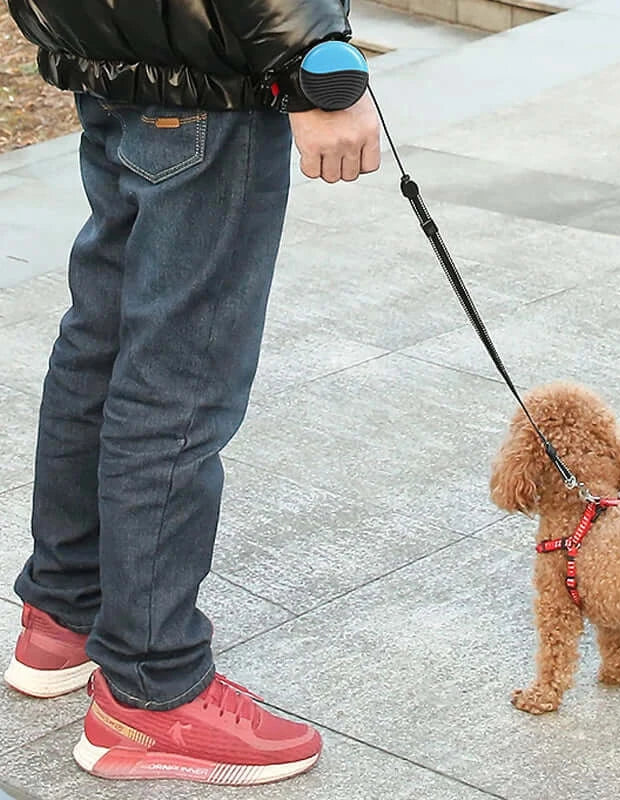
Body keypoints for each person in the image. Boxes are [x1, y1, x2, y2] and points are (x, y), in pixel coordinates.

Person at [3, 0, 380, 786]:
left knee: (102, 341)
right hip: (210, 70)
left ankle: (64, 613)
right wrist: (313, 69)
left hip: (107, 44)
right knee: (181, 377)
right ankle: (150, 689)